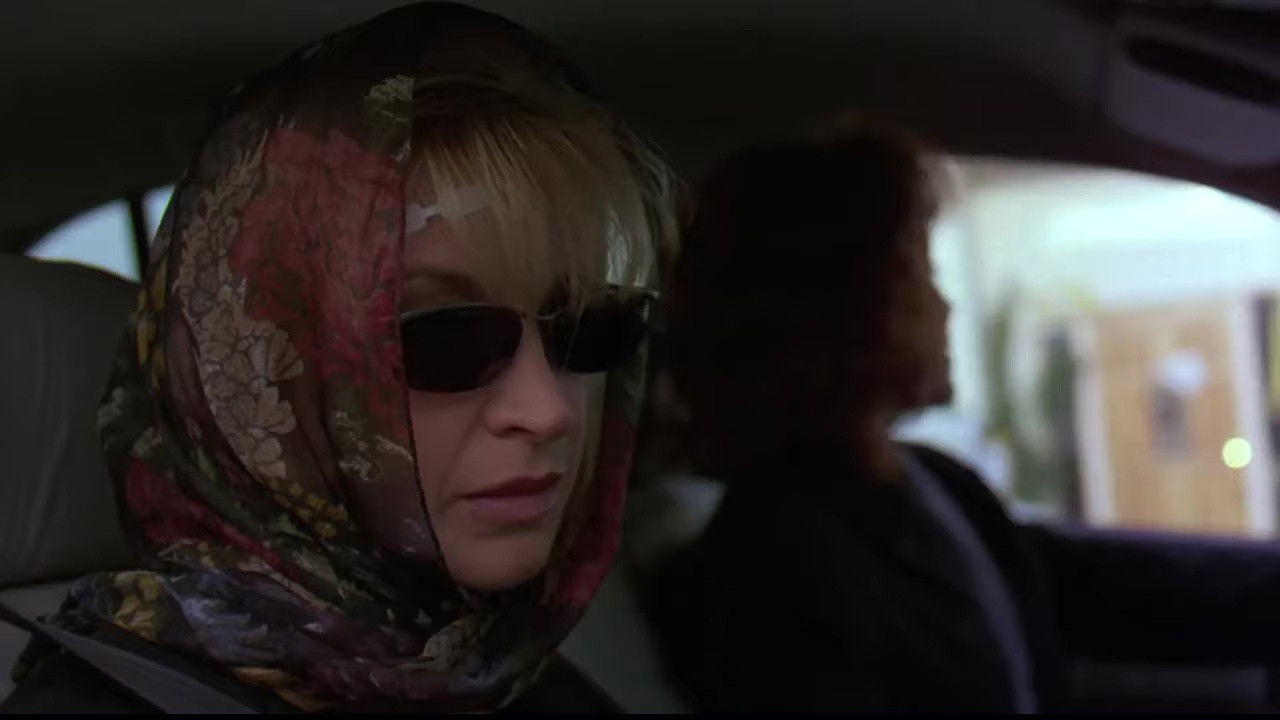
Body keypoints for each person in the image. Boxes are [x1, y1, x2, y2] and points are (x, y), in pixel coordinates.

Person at [1, 2, 674, 713]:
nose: (547, 412)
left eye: (592, 328)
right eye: (445, 338)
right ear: (262, 379)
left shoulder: (504, 677)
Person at [650, 120, 1063, 712]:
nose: (944, 305)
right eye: (922, 274)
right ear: (842, 304)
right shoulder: (773, 571)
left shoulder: (935, 478)